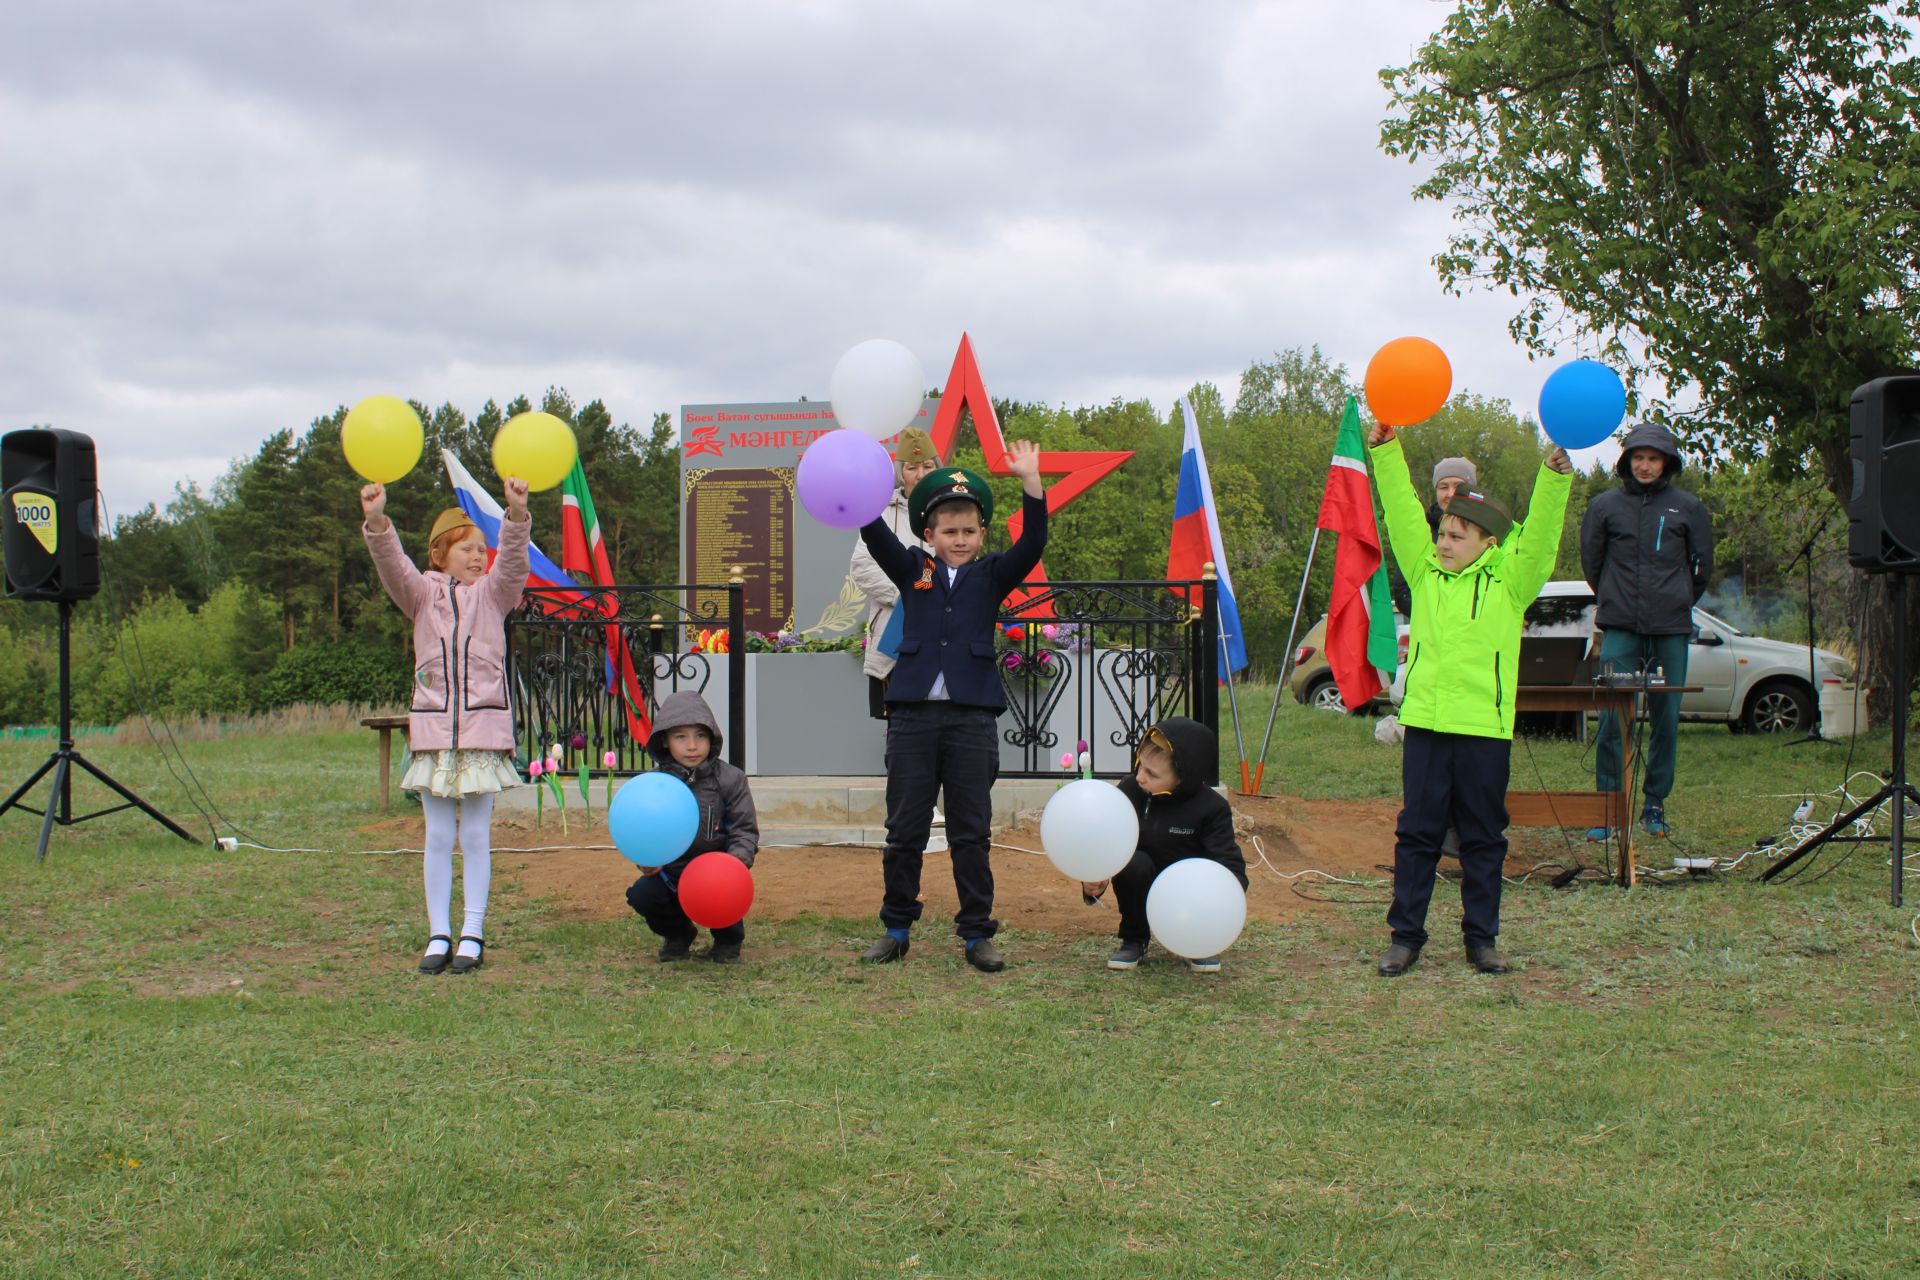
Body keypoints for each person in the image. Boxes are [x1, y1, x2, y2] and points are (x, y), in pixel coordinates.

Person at [1367, 421, 1572, 977]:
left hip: (1484, 729)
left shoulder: (1511, 581)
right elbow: (1402, 513)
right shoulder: (1424, 572)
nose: (1443, 542)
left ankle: (1482, 940)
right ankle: (1404, 938)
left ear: (1487, 543)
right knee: (1417, 835)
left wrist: (1552, 483)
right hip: (1429, 727)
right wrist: (1386, 450)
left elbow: (1540, 539)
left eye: (1456, 536)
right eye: (1442, 534)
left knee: (1483, 837)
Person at [854, 442, 1048, 972]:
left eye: (968, 531)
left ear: (981, 535)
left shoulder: (991, 577)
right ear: (928, 535)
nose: (958, 540)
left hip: (971, 720)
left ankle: (976, 934)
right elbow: (873, 534)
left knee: (970, 832)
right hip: (913, 718)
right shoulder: (912, 570)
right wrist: (858, 483)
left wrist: (1030, 482)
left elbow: (1033, 542)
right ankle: (896, 928)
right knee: (905, 831)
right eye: (948, 532)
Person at [362, 477, 530, 975]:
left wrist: (516, 516)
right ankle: (439, 934)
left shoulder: (494, 596)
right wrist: (376, 522)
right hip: (435, 734)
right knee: (438, 836)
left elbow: (513, 565)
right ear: (440, 554)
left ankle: (472, 933)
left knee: (475, 835)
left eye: (484, 549)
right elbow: (393, 566)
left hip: (482, 734)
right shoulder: (420, 596)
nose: (480, 557)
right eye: (468, 549)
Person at [1580, 422, 1714, 839]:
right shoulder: (1605, 506)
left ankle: (1654, 804)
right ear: (1626, 462)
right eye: (1637, 457)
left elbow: (1701, 568)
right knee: (1613, 716)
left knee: (1666, 719)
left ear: (1666, 463)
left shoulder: (1688, 507)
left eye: (1653, 458)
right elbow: (1592, 563)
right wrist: (1616, 599)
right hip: (1621, 629)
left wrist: (1675, 600)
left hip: (1671, 628)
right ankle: (1609, 807)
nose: (1644, 465)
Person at [1081, 717, 1248, 973]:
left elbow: (1229, 865)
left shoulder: (1212, 808)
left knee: (1205, 874)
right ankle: (1134, 938)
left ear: (1183, 776)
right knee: (1133, 863)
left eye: (1152, 774)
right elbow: (1105, 843)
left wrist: (1224, 901)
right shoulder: (1128, 792)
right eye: (1140, 766)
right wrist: (1095, 877)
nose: (1140, 777)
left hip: (1189, 892)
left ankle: (1198, 943)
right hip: (1142, 881)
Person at [624, 690, 760, 964]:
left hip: (716, 871)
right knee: (643, 894)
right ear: (664, 740)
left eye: (700, 735)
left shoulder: (731, 779)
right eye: (680, 737)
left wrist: (732, 867)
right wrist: (646, 861)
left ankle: (728, 940)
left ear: (712, 737)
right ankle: (678, 934)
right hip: (671, 873)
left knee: (722, 890)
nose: (692, 746)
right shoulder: (654, 784)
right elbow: (642, 832)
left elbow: (744, 831)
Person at [849, 427, 943, 719]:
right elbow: (862, 567)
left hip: (942, 631)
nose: (921, 474)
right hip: (894, 633)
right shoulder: (882, 512)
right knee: (899, 726)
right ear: (901, 473)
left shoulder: (954, 510)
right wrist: (906, 593)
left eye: (928, 466)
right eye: (913, 467)